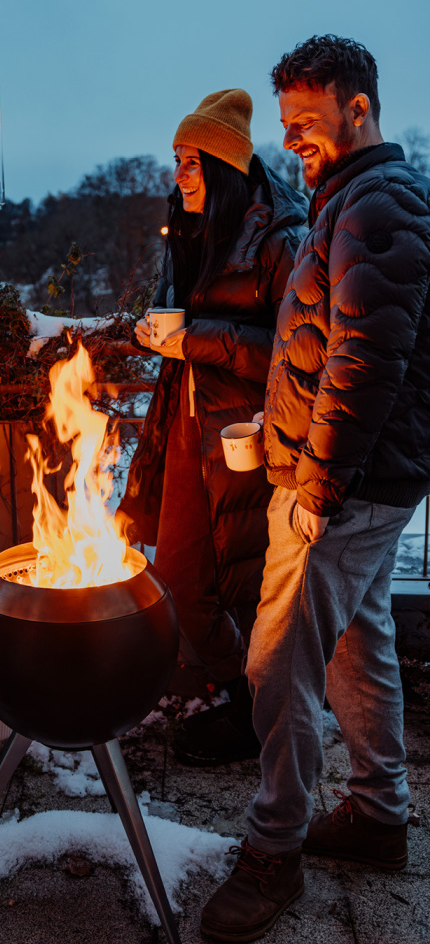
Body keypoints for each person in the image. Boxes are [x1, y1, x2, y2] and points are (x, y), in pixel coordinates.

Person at [200, 35, 430, 942]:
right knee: (356, 645)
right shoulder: (354, 199)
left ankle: (274, 849)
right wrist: (280, 424)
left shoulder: (378, 205)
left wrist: (318, 480)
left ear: (358, 107)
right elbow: (324, 347)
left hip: (344, 484)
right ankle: (377, 814)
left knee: (278, 661)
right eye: (286, 121)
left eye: (306, 119)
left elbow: (364, 362)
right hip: (356, 473)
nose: (292, 137)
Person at [118, 89, 307, 764]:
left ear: (225, 168)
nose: (178, 176)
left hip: (244, 437)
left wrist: (196, 338)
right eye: (176, 159)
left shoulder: (280, 240)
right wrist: (153, 333)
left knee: (244, 581)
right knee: (176, 574)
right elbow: (177, 322)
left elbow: (294, 354)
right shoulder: (191, 232)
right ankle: (238, 690)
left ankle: (260, 715)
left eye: (191, 162)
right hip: (184, 426)